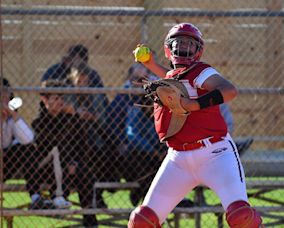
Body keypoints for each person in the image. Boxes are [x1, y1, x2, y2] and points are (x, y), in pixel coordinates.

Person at [128, 23, 263, 228]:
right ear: (168, 49)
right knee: (142, 220)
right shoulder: (174, 76)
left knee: (240, 216)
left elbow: (229, 90)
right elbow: (174, 77)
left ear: (198, 51)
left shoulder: (201, 71)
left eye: (188, 45)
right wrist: (150, 63)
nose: (182, 48)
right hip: (178, 159)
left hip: (215, 154)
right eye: (177, 44)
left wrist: (194, 104)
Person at [32, 80, 98, 227]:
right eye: (56, 98)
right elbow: (53, 143)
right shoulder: (38, 122)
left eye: (61, 98)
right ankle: (59, 198)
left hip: (68, 167)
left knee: (86, 174)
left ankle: (89, 218)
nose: (60, 102)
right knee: (58, 155)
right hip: (47, 170)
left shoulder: (68, 118)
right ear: (45, 100)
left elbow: (82, 143)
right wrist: (67, 162)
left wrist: (74, 116)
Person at [104, 63, 165, 206]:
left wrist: (159, 150)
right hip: (129, 152)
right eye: (136, 80)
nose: (139, 85)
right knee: (139, 158)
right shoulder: (126, 101)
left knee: (159, 164)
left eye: (143, 80)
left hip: (150, 152)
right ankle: (144, 196)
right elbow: (130, 135)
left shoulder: (155, 103)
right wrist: (155, 151)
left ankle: (145, 196)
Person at [0, 78, 47, 208]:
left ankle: (36, 197)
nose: (4, 100)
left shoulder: (11, 117)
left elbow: (29, 139)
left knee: (26, 149)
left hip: (5, 163)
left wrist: (13, 115)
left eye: (6, 96)